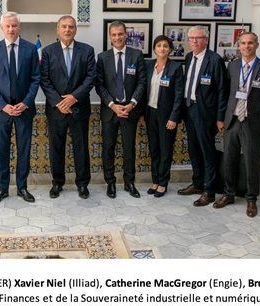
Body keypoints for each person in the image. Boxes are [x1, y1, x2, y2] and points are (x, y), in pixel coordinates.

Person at [214, 32, 260, 217]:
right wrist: (221, 118)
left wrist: (257, 116)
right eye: (243, 43)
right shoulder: (233, 66)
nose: (246, 46)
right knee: (229, 159)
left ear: (257, 45)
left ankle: (251, 199)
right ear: (239, 46)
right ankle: (229, 194)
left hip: (252, 122)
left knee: (251, 161)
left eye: (250, 43)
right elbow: (226, 93)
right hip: (232, 120)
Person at [0, 12, 41, 205]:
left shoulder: (31, 49)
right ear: (1, 28)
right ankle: (3, 188)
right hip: (2, 111)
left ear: (19, 27)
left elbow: (36, 79)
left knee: (24, 149)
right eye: (7, 26)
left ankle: (22, 187)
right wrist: (2, 105)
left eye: (14, 25)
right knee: (2, 151)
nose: (11, 29)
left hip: (24, 109)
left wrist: (26, 102)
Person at [40, 15, 96, 199]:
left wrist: (74, 97)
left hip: (79, 108)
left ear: (75, 30)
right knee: (56, 147)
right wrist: (59, 102)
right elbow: (44, 80)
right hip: (56, 110)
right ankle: (57, 183)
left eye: (71, 26)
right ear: (57, 29)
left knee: (81, 147)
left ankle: (83, 184)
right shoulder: (48, 52)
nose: (67, 30)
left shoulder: (87, 50)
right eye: (63, 26)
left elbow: (91, 77)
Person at [177, 25, 228, 207]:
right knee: (193, 149)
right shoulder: (189, 57)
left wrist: (220, 117)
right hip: (189, 109)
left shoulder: (215, 60)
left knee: (207, 152)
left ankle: (209, 190)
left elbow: (222, 90)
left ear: (206, 40)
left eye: (198, 38)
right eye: (191, 38)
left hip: (205, 113)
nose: (194, 41)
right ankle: (198, 183)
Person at [96, 20, 146, 199]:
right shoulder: (103, 57)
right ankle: (110, 182)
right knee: (108, 148)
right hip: (110, 110)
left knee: (129, 148)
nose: (117, 37)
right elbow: (99, 85)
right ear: (110, 36)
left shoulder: (136, 55)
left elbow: (142, 82)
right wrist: (112, 104)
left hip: (129, 110)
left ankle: (129, 182)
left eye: (120, 34)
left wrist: (132, 104)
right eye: (114, 34)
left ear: (126, 35)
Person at [144, 35, 185, 198]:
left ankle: (163, 183)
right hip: (150, 113)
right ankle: (155, 181)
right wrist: (141, 114)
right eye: (159, 45)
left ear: (170, 49)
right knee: (154, 150)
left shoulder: (176, 67)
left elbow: (179, 95)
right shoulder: (148, 65)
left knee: (165, 150)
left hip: (167, 116)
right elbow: (143, 91)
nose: (162, 48)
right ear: (154, 48)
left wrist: (174, 117)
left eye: (165, 46)